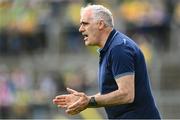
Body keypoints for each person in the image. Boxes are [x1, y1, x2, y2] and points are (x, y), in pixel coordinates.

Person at [53, 4, 161, 119]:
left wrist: (89, 101)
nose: (80, 29)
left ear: (100, 24)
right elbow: (112, 92)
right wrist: (83, 100)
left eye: (85, 23)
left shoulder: (119, 48)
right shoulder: (111, 48)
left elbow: (126, 94)